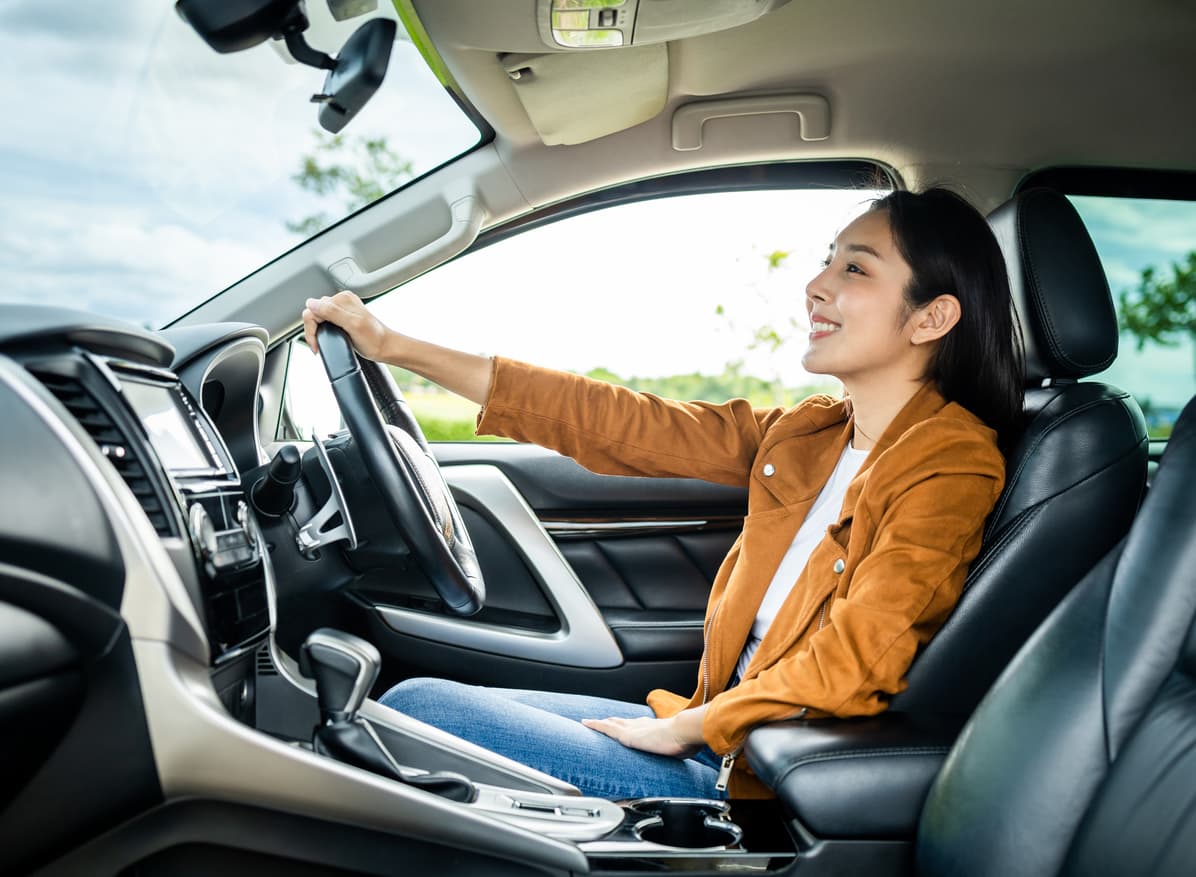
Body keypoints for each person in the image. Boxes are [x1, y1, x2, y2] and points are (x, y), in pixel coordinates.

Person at [300, 187, 1022, 801]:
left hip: (754, 776)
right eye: (827, 259)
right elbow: (625, 424)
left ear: (932, 317)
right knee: (412, 706)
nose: (818, 284)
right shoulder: (815, 433)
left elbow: (863, 657)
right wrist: (394, 346)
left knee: (411, 710)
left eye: (855, 268)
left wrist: (686, 729)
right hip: (712, 733)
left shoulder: (951, 464)